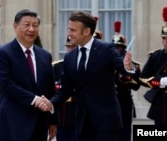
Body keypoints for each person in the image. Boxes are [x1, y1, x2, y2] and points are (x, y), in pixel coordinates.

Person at [40, 11, 135, 141]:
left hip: (106, 121)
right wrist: (50, 104)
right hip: (82, 122)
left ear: (86, 31)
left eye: (73, 30)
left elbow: (122, 68)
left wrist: (128, 67)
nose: (68, 33)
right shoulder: (69, 57)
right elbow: (64, 91)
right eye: (69, 29)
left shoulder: (107, 49)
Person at [0, 9, 57, 141]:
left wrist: (53, 120)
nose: (31, 29)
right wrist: (35, 99)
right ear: (15, 26)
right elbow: (6, 85)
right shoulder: (3, 53)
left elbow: (49, 89)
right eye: (27, 24)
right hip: (13, 125)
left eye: (35, 25)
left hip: (40, 125)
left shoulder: (45, 56)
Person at [140, 6, 167, 126]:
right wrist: (160, 82)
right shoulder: (156, 56)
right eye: (164, 38)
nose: (166, 41)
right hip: (161, 106)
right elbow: (143, 77)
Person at [112, 21, 141, 141]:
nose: (117, 50)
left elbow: (136, 85)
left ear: (124, 49)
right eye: (115, 48)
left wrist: (124, 76)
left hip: (124, 103)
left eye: (120, 47)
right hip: (109, 104)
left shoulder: (133, 65)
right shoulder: (106, 64)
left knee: (124, 135)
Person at [52, 37, 78, 141]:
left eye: (73, 47)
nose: (70, 49)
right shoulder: (57, 67)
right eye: (68, 47)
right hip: (62, 115)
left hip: (78, 115)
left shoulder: (84, 65)